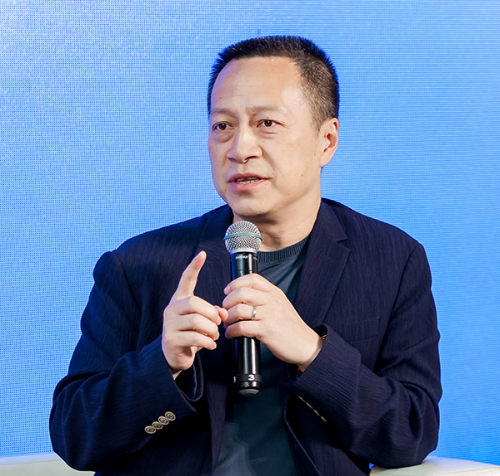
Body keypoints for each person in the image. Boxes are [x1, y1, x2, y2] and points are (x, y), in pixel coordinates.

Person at [50, 36, 441, 476]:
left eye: (266, 123)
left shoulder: (393, 260)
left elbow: (411, 432)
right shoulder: (138, 264)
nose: (240, 149)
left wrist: (312, 350)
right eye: (223, 126)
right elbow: (74, 436)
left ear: (326, 140)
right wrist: (160, 363)